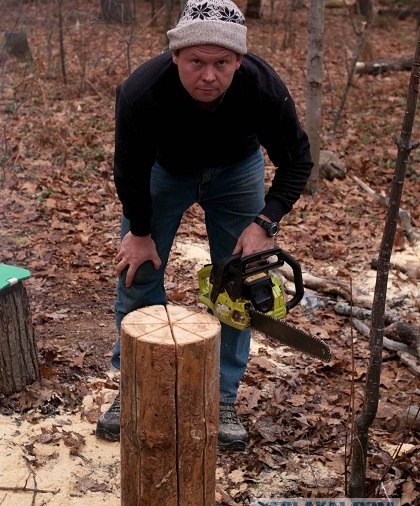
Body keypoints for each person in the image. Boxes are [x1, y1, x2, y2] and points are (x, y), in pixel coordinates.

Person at [96, 0, 312, 451]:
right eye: (196, 62)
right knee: (138, 274)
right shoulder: (143, 91)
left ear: (240, 60)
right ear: (175, 56)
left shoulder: (262, 88)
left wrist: (265, 224)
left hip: (237, 171)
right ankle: (135, 388)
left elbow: (297, 160)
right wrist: (139, 232)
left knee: (240, 280)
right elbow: (129, 169)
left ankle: (221, 397)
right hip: (163, 172)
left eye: (222, 63)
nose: (208, 76)